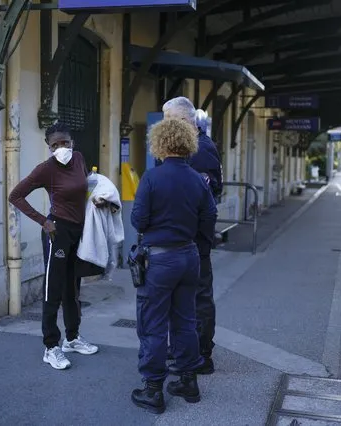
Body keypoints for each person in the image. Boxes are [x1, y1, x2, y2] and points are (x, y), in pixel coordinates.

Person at [130, 118, 217, 414]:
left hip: (159, 258)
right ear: (187, 143)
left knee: (153, 323)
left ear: (160, 143)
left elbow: (138, 220)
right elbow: (209, 215)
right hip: (189, 256)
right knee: (185, 320)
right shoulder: (196, 178)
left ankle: (153, 390)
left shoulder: (153, 178)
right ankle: (188, 382)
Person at [8, 121, 98, 371]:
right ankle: (51, 346)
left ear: (73, 143)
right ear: (48, 146)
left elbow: (85, 186)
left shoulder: (79, 159)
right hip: (57, 231)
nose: (61, 148)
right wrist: (43, 221)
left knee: (73, 286)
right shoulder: (45, 169)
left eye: (65, 143)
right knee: (53, 290)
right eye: (54, 144)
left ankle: (72, 338)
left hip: (79, 232)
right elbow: (15, 195)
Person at [162, 98, 222, 375]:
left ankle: (201, 356)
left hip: (194, 240)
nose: (165, 124)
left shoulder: (202, 151)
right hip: (182, 239)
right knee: (184, 298)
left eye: (169, 118)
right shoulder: (186, 148)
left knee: (198, 297)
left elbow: (203, 201)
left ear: (186, 121)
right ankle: (185, 351)